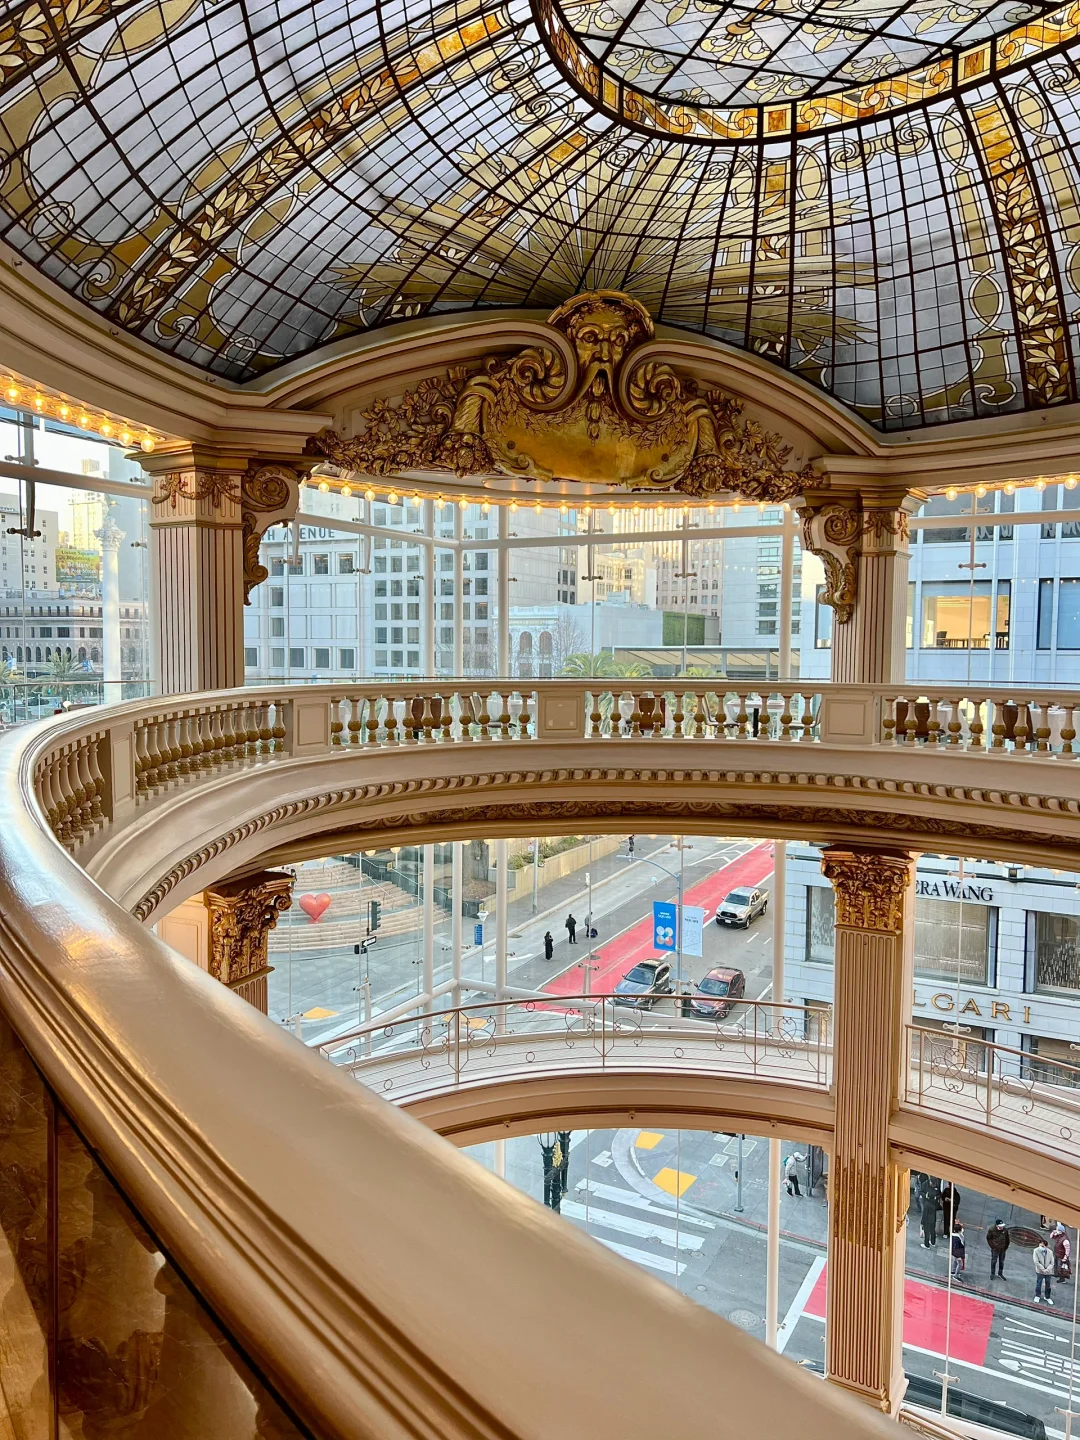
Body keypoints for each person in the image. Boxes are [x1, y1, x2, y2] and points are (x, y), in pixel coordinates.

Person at [1034, 1237, 1055, 1304]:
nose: (1041, 1247)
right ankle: (1037, 1296)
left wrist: (1047, 1270)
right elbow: (1036, 1262)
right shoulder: (1036, 1251)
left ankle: (1047, 1297)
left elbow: (1052, 1263)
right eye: (1040, 1245)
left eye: (1042, 1246)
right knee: (1039, 1284)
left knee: (1048, 1284)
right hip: (1040, 1271)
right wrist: (1043, 1269)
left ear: (1046, 1246)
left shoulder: (1050, 1252)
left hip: (1048, 1272)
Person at [920, 1184, 939, 1248]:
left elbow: (924, 1214)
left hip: (927, 1220)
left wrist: (922, 1222)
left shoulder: (926, 1204)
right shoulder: (934, 1203)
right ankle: (933, 1242)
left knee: (927, 1232)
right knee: (932, 1231)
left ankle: (926, 1244)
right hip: (933, 1219)